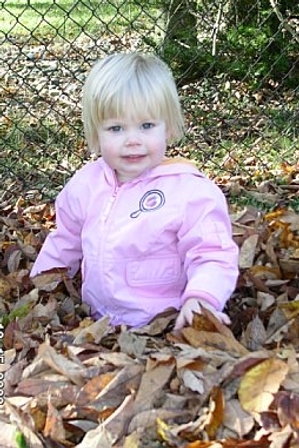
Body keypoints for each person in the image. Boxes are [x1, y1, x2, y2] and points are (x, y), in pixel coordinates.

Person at [30, 52, 239, 329]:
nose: (132, 140)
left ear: (168, 128)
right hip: (96, 321)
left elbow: (212, 253)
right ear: (96, 134)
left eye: (146, 126)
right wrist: (40, 287)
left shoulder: (190, 192)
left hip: (166, 322)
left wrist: (201, 300)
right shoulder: (86, 184)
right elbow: (65, 241)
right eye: (116, 128)